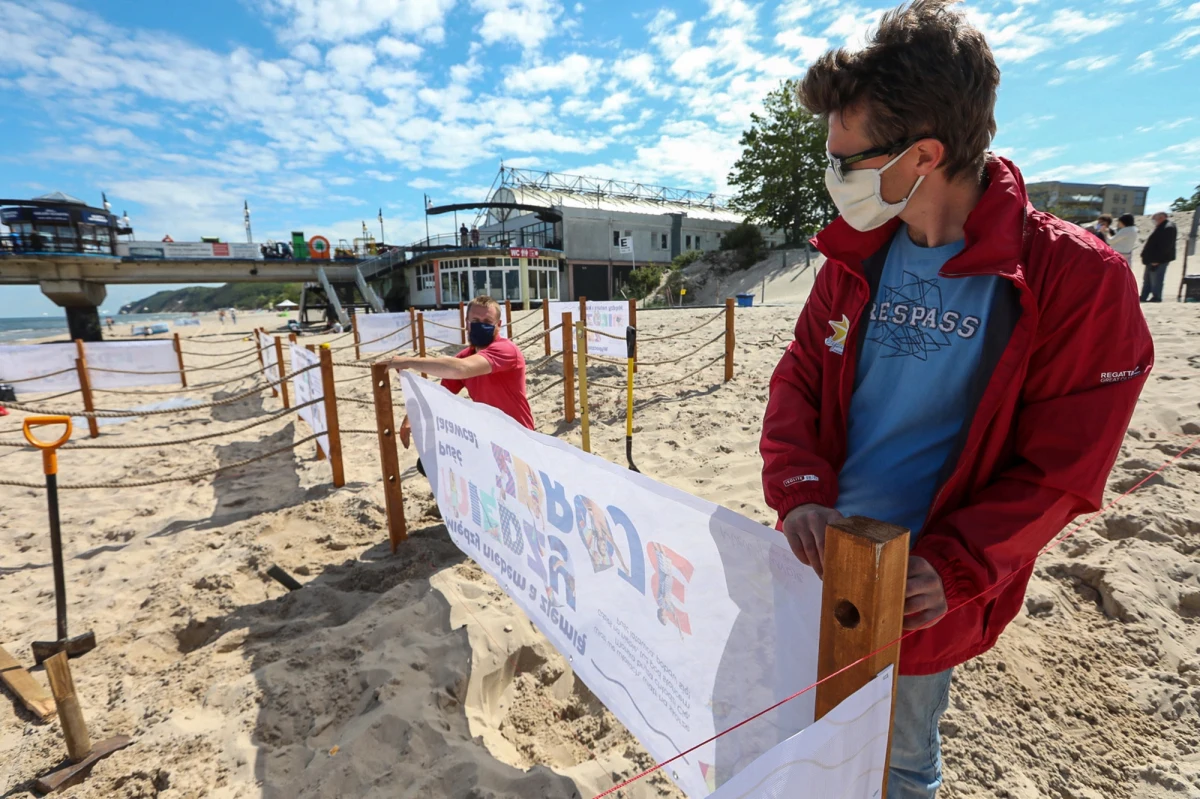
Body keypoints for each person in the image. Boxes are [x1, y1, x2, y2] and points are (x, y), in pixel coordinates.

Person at [758, 3, 1152, 797]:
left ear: (923, 156)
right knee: (806, 743)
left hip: (921, 592)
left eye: (845, 160)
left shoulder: (1077, 281)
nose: (832, 179)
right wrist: (799, 491)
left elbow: (1063, 468)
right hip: (819, 564)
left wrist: (958, 564)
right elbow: (799, 375)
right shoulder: (856, 254)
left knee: (900, 764)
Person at [387, 295, 534, 472]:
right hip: (487, 436)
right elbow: (440, 394)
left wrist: (408, 361)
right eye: (476, 320)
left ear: (498, 325)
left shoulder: (505, 349)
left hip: (516, 438)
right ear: (467, 323)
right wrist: (411, 417)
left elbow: (460, 369)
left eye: (487, 321)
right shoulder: (466, 355)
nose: (481, 324)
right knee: (428, 464)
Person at [1140, 211, 1177, 303]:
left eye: (1155, 218)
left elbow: (1165, 246)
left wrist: (1157, 260)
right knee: (1147, 279)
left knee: (1156, 279)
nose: (1154, 221)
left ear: (1161, 218)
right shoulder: (1161, 227)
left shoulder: (1168, 227)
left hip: (1158, 260)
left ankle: (1156, 297)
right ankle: (1144, 296)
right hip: (1151, 259)